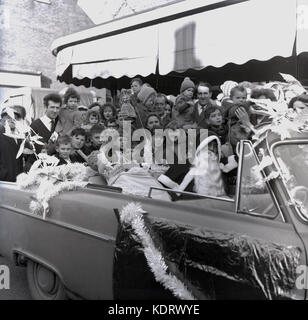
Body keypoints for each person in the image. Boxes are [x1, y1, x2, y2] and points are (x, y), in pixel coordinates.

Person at [0, 105, 26, 182]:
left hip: (17, 181)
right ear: (2, 119)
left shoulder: (19, 136)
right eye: (9, 116)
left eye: (16, 117)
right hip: (3, 181)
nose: (13, 119)